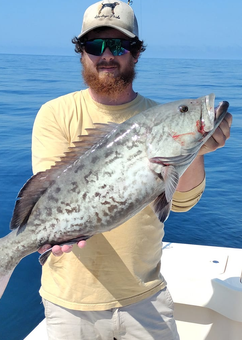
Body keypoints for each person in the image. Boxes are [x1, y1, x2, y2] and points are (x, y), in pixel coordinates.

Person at [32, 1, 232, 339]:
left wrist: (196, 147)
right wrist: (53, 232)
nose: (107, 55)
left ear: (135, 53)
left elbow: (182, 203)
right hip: (70, 301)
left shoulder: (160, 116)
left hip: (146, 296)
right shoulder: (55, 113)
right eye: (95, 46)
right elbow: (53, 192)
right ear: (82, 53)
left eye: (118, 45)